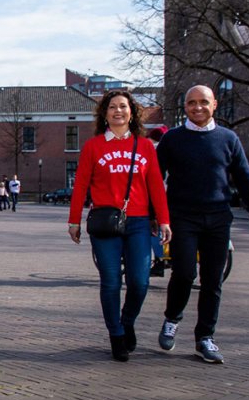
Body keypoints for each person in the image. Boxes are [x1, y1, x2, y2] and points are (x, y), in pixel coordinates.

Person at [156, 85, 249, 364]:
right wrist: (155, 216)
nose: (198, 107)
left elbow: (245, 179)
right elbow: (155, 180)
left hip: (218, 218)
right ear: (185, 107)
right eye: (192, 103)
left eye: (203, 102)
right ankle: (172, 319)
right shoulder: (172, 139)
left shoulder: (228, 139)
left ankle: (204, 338)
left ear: (214, 105)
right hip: (182, 217)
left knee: (213, 280)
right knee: (183, 273)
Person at [67, 90, 171, 362]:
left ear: (131, 112)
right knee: (111, 282)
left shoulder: (145, 146)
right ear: (104, 114)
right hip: (105, 223)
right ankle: (116, 335)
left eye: (123, 107)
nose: (118, 111)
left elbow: (156, 187)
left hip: (137, 222)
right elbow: (80, 185)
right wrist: (74, 220)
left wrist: (164, 220)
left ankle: (127, 321)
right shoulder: (94, 146)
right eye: (112, 107)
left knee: (140, 281)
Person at [146, 126, 169, 277]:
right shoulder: (174, 148)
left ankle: (161, 259)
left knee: (153, 229)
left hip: (158, 195)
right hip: (175, 195)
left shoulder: (152, 150)